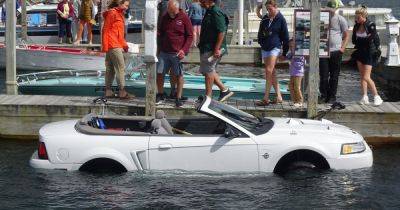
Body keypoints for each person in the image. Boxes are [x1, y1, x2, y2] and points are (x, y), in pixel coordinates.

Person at [156, 0, 193, 107]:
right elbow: (160, 32)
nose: (171, 14)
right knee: (159, 73)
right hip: (164, 51)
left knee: (179, 75)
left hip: (177, 53)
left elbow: (190, 36)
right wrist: (158, 48)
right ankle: (160, 93)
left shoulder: (184, 17)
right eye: (169, 11)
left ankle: (178, 97)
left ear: (177, 9)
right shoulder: (165, 16)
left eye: (173, 11)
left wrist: (184, 50)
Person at [198, 0, 233, 102]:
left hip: (212, 48)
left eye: (203, 1)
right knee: (207, 71)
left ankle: (208, 98)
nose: (201, 3)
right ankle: (224, 90)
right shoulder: (208, 11)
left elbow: (221, 31)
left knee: (208, 71)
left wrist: (217, 48)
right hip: (206, 47)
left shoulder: (216, 12)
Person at [255, 0, 288, 106]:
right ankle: (279, 96)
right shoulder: (265, 18)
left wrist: (285, 52)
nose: (269, 11)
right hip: (265, 47)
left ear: (275, 7)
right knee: (272, 72)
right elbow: (260, 32)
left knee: (268, 70)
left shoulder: (281, 19)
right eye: (267, 9)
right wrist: (261, 42)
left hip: (275, 47)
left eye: (270, 9)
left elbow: (286, 37)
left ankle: (266, 98)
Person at [319, 0, 349, 104]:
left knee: (334, 75)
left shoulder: (341, 19)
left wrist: (342, 48)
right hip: (322, 50)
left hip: (336, 51)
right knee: (323, 75)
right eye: (328, 9)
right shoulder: (321, 17)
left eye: (332, 9)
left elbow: (346, 35)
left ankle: (332, 96)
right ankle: (324, 95)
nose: (330, 11)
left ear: (336, 9)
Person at [352, 6, 383, 106]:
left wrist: (361, 41)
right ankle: (364, 97)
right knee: (362, 76)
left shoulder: (370, 25)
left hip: (370, 53)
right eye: (356, 17)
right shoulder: (356, 26)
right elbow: (353, 41)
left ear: (363, 16)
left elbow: (370, 39)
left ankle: (377, 96)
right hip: (360, 52)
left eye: (358, 17)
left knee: (366, 76)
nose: (356, 19)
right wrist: (363, 40)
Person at [102, 0, 133, 100]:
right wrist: (105, 47)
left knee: (110, 68)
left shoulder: (119, 14)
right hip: (113, 45)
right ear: (120, 4)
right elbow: (105, 30)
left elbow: (119, 34)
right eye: (126, 5)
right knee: (120, 67)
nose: (127, 7)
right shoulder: (112, 13)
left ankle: (108, 91)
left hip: (114, 44)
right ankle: (122, 92)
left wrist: (124, 46)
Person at [287, 39, 306, 108]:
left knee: (297, 87)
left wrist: (292, 57)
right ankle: (294, 101)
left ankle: (300, 101)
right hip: (292, 72)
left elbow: (301, 63)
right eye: (290, 46)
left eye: (293, 46)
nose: (291, 47)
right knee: (291, 86)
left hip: (298, 73)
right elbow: (287, 57)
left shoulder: (299, 53)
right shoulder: (291, 53)